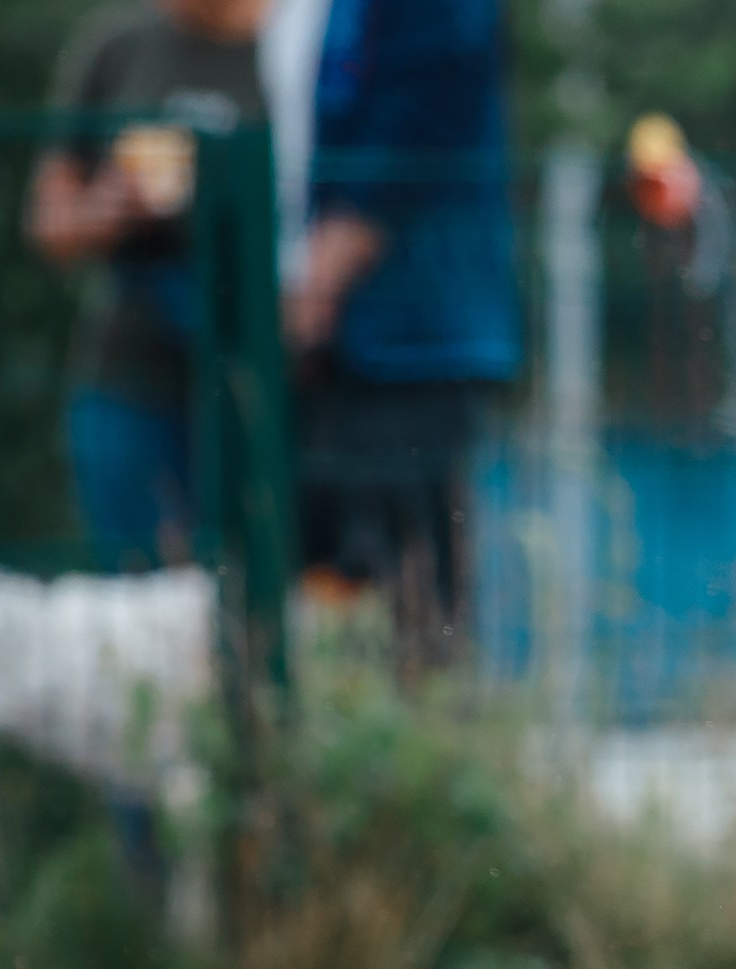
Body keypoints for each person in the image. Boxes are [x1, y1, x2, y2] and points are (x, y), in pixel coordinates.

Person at [291, 0, 521, 673]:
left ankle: (418, 760)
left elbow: (422, 117)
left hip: (410, 340)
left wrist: (323, 276)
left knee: (410, 602)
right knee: (336, 594)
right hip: (349, 344)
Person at [27, 0, 270, 575]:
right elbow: (49, 223)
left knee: (249, 579)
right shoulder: (118, 44)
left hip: (256, 369)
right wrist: (104, 209)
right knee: (136, 588)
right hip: (129, 367)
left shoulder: (296, 47)